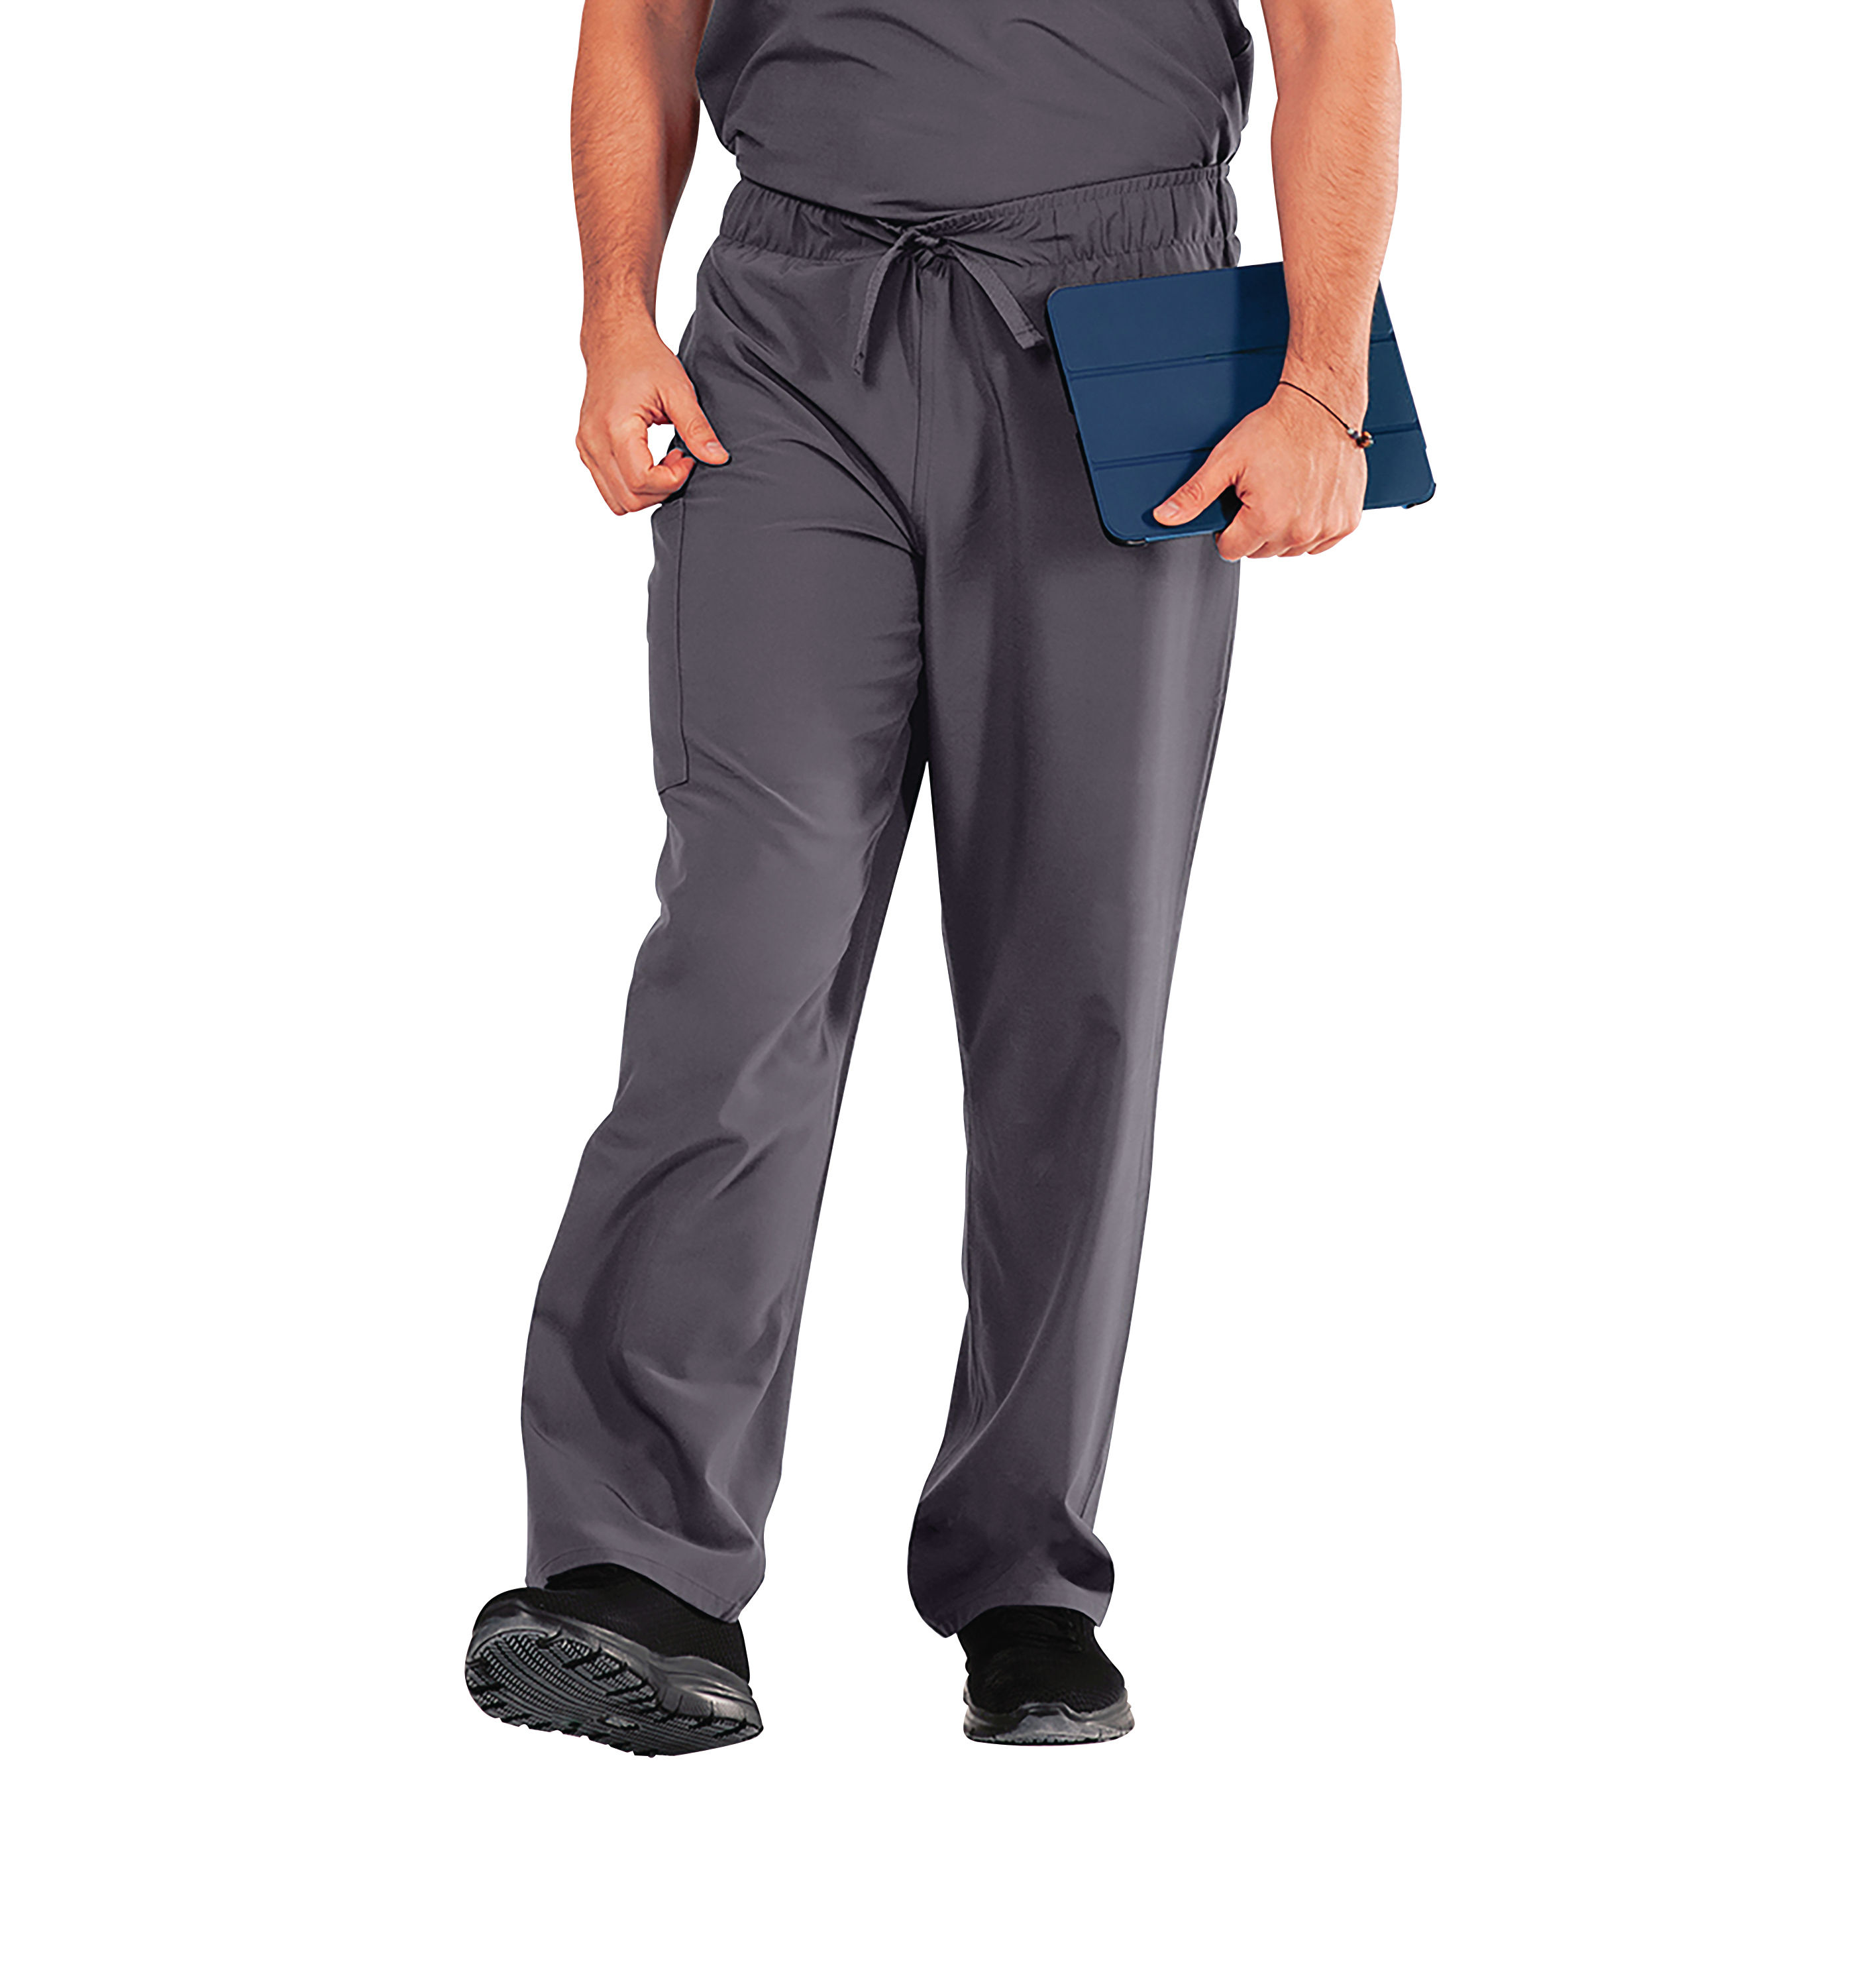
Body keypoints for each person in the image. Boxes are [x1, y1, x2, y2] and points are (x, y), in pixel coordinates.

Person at [464, 0, 1401, 1753]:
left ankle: (1024, 1576)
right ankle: (632, 1572)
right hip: (786, 339)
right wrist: (612, 317)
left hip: (1123, 322)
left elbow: (1336, 31)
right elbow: (642, 15)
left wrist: (1323, 383)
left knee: (1078, 978)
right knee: (747, 937)